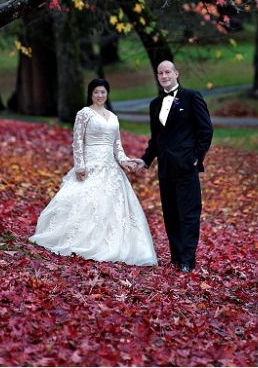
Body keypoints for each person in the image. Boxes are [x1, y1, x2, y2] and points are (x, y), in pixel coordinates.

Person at [30, 78, 157, 266]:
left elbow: (117, 146)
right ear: (90, 94)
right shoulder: (84, 114)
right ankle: (76, 238)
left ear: (107, 94)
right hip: (90, 163)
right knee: (84, 201)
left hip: (110, 167)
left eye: (103, 92)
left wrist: (124, 161)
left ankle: (112, 242)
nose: (100, 95)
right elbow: (78, 142)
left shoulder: (113, 117)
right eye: (96, 92)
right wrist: (80, 165)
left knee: (112, 204)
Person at [139, 60, 213, 273]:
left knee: (188, 214)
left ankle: (188, 260)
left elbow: (205, 131)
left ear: (176, 74)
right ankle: (176, 257)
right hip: (165, 168)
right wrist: (145, 160)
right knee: (171, 214)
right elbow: (156, 140)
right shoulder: (155, 104)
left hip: (186, 166)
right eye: (160, 73)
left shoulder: (191, 97)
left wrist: (196, 158)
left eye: (168, 72)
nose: (164, 76)